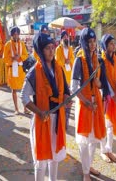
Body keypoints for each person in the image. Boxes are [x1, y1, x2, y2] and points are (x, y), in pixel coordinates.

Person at [20, 32, 69, 181]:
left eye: (52, 47)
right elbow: (23, 97)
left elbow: (66, 92)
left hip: (57, 119)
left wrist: (67, 100)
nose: (51, 51)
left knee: (54, 157)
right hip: (42, 121)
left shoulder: (59, 68)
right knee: (41, 161)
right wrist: (39, 112)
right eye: (47, 48)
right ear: (40, 50)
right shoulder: (34, 72)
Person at [71, 28, 106, 181]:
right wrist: (86, 103)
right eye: (89, 42)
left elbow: (99, 83)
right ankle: (85, 172)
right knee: (84, 141)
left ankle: (89, 165)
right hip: (84, 104)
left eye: (94, 42)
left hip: (95, 103)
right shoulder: (79, 60)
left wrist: (98, 84)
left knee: (94, 139)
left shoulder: (96, 60)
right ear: (84, 43)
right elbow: (74, 88)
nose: (92, 45)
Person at [99, 34, 116, 163]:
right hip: (106, 96)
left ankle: (109, 150)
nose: (113, 46)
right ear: (105, 45)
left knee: (111, 126)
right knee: (105, 125)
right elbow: (104, 81)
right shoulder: (101, 60)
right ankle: (103, 151)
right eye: (110, 44)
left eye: (114, 43)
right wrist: (112, 96)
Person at [3, 26, 29, 115]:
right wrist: (12, 58)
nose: (16, 36)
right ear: (12, 35)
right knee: (14, 90)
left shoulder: (22, 44)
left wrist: (20, 57)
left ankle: (25, 108)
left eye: (17, 34)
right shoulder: (8, 44)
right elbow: (5, 58)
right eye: (14, 34)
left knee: (24, 89)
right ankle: (16, 109)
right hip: (12, 68)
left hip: (21, 69)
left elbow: (26, 55)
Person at [55, 30, 74, 129]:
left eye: (67, 37)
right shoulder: (58, 49)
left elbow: (72, 59)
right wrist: (64, 61)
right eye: (64, 37)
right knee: (62, 92)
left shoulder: (70, 48)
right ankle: (62, 108)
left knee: (69, 93)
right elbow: (57, 60)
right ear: (61, 39)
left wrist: (69, 60)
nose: (66, 38)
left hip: (69, 73)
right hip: (62, 73)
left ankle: (68, 109)